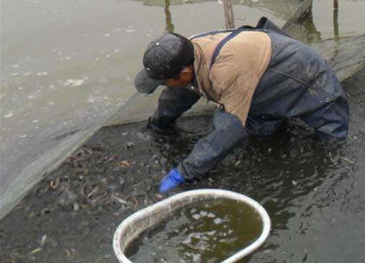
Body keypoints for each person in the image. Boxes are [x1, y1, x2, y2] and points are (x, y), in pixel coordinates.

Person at [135, 18, 349, 191]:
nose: (164, 86)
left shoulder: (224, 71)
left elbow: (229, 132)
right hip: (260, 75)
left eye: (164, 81)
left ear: (183, 73)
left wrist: (183, 172)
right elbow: (178, 95)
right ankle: (276, 116)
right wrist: (157, 124)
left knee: (334, 141)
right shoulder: (185, 52)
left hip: (305, 74)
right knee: (263, 129)